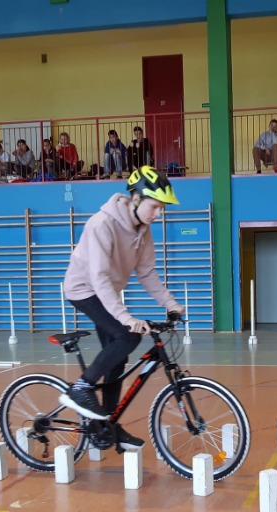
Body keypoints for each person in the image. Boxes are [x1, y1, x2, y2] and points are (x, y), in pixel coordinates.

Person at [60, 166, 185, 447]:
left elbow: (147, 273)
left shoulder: (143, 231)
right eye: (155, 206)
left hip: (105, 292)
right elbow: (99, 278)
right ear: (136, 199)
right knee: (127, 337)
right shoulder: (102, 224)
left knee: (118, 359)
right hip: (84, 290)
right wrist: (125, 317)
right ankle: (81, 388)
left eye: (162, 208)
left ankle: (106, 427)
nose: (158, 214)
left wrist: (172, 304)